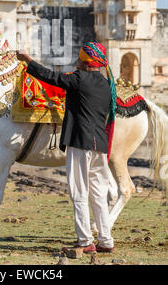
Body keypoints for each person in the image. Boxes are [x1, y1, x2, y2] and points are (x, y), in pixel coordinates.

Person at [16, 41, 116, 253]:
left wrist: (27, 59)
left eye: (79, 58)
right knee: (98, 194)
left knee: (79, 192)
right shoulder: (107, 85)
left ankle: (85, 240)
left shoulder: (78, 79)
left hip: (80, 143)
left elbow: (50, 76)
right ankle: (106, 240)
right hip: (100, 145)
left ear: (84, 61)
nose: (76, 61)